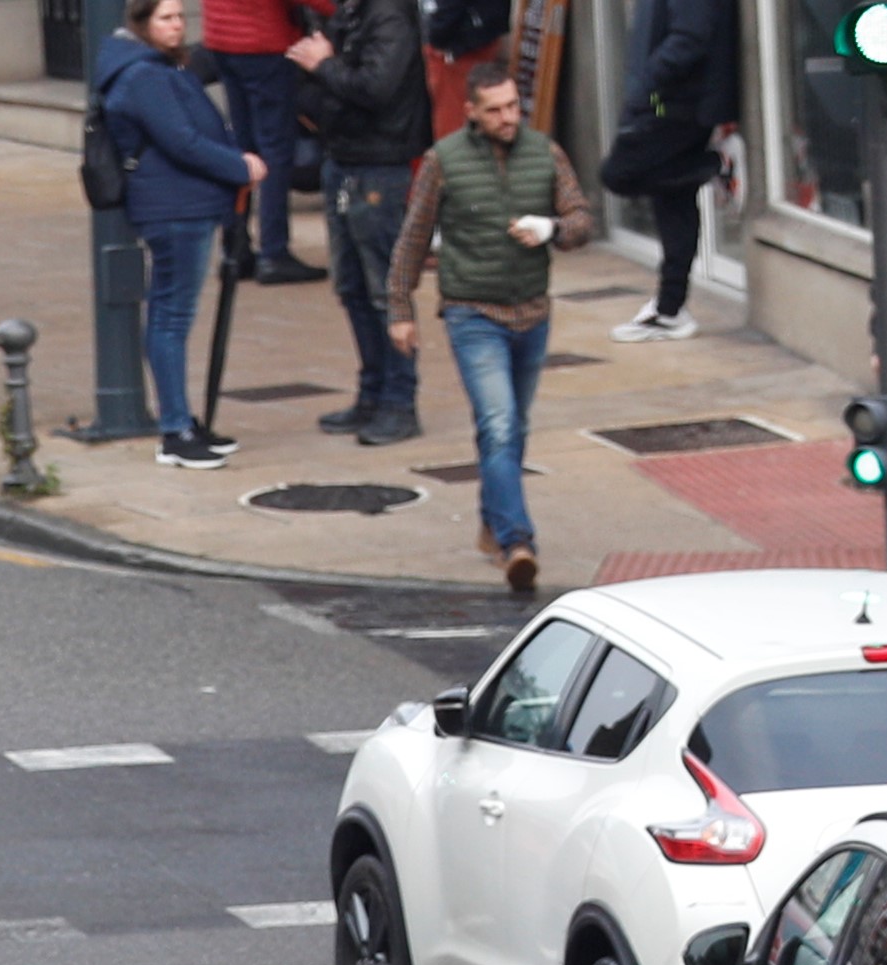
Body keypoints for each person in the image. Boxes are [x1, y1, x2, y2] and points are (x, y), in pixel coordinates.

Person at [392, 61, 593, 594]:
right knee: (500, 422)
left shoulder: (545, 152)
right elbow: (413, 237)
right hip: (471, 312)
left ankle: (490, 518)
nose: (509, 118)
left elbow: (581, 220)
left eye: (513, 106)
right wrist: (400, 310)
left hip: (531, 310)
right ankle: (516, 542)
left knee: (512, 426)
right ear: (472, 113)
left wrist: (550, 227)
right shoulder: (444, 161)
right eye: (496, 110)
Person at [101, 0, 264, 465]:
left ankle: (182, 422)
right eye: (166, 18)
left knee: (170, 313)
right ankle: (175, 429)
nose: (177, 26)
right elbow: (182, 140)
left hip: (180, 203)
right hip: (174, 207)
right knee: (172, 315)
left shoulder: (152, 67)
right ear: (142, 24)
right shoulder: (144, 75)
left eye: (179, 17)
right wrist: (240, 165)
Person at [289, 0, 427, 440]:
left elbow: (376, 87)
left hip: (378, 165)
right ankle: (372, 393)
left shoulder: (387, 13)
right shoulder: (349, 11)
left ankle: (398, 402)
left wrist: (325, 66)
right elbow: (310, 83)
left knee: (386, 288)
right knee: (351, 286)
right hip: (344, 157)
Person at [599, 0, 742, 337]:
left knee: (619, 174)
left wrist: (646, 85)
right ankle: (669, 309)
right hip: (675, 99)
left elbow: (690, 37)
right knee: (672, 198)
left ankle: (719, 163)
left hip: (677, 103)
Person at [201, 0, 317, 280]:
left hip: (222, 34)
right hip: (263, 39)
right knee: (275, 151)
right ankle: (274, 251)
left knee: (242, 147)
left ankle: (235, 247)